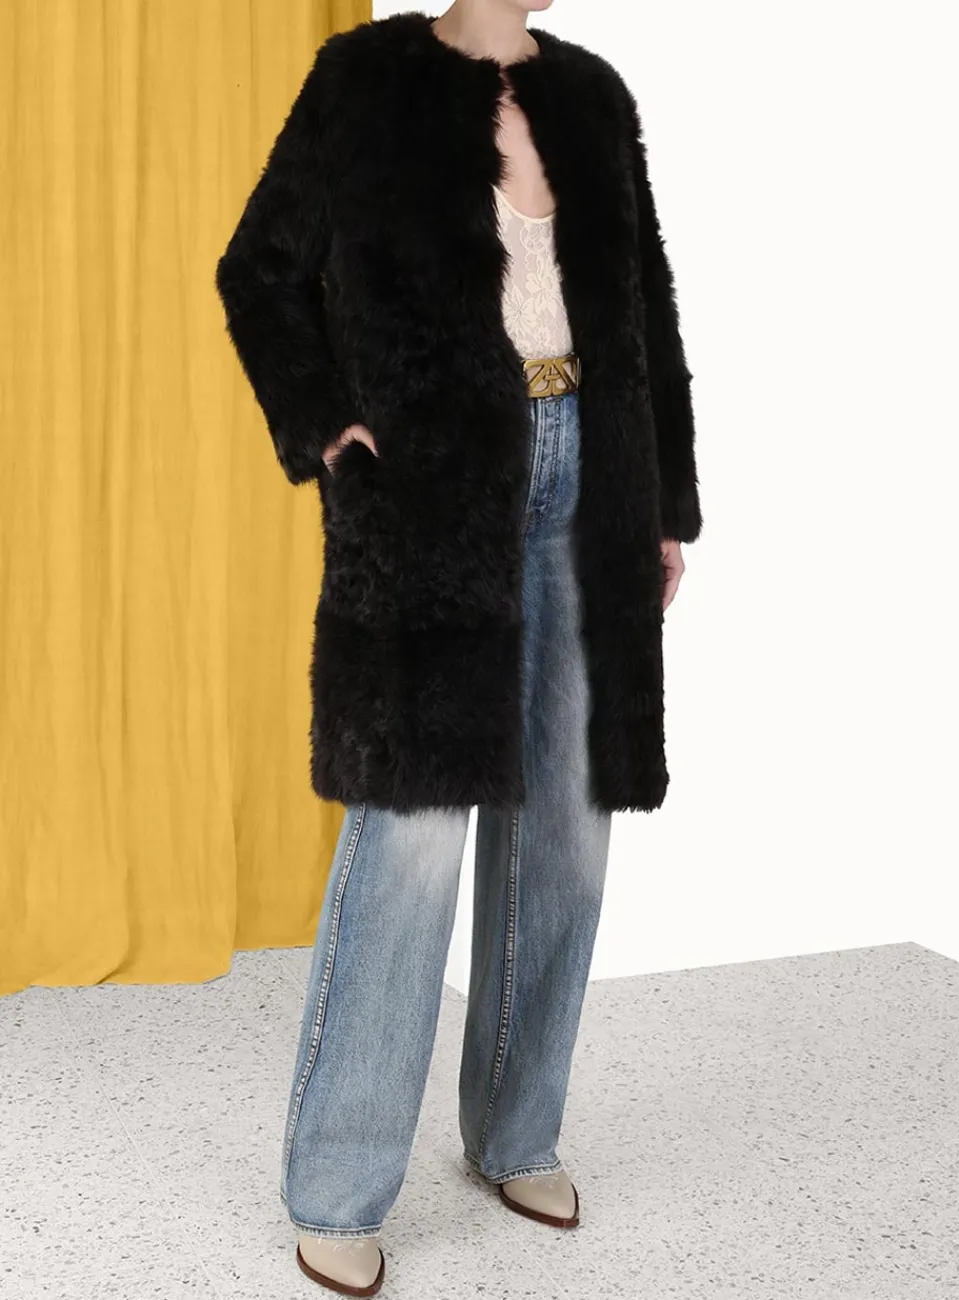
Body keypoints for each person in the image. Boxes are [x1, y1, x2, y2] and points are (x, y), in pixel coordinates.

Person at [215, 1, 702, 1292]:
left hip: (592, 480)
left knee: (568, 830)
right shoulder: (364, 80)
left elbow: (646, 307)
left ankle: (516, 1130)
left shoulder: (593, 96)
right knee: (414, 837)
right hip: (433, 497)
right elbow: (259, 271)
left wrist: (664, 504)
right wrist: (325, 423)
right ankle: (336, 1184)